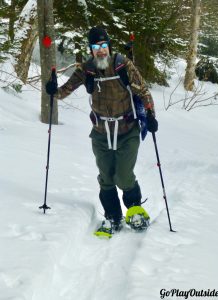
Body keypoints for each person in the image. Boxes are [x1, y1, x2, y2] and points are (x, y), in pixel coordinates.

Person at [46, 26, 158, 237]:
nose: (101, 50)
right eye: (96, 46)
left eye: (104, 46)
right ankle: (113, 217)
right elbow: (65, 91)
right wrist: (53, 90)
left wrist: (151, 115)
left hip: (127, 130)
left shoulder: (122, 64)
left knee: (124, 176)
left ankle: (135, 211)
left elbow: (143, 90)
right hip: (100, 132)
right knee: (106, 178)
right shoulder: (87, 69)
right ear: (91, 49)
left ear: (109, 46)